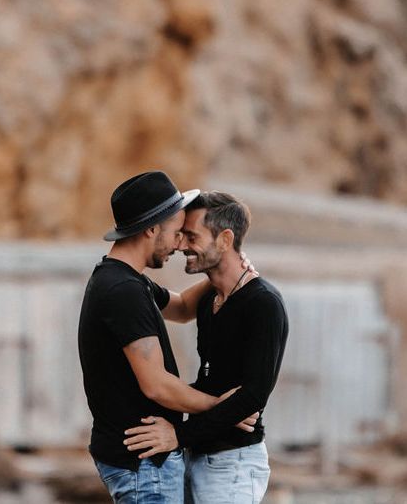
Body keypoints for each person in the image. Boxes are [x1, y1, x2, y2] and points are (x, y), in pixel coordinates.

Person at [78, 172, 258, 503]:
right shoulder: (123, 292)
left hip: (141, 461)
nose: (179, 244)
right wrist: (223, 407)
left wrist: (226, 265)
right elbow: (156, 384)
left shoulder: (126, 281)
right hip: (144, 464)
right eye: (176, 233)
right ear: (151, 229)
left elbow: (184, 307)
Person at [122, 191, 289, 504]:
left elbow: (253, 396)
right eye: (181, 235)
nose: (182, 245)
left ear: (225, 240)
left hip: (234, 463)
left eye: (192, 236)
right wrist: (123, 273)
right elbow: (173, 304)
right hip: (198, 456)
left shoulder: (264, 304)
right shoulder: (210, 298)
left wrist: (177, 435)